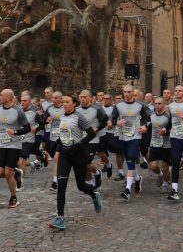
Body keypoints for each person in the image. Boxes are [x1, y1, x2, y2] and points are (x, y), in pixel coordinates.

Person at [48, 94, 103, 231]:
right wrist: (56, 144)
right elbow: (64, 134)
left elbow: (91, 134)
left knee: (81, 186)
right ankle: (60, 218)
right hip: (65, 154)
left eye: (67, 102)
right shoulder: (62, 117)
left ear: (74, 104)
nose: (64, 104)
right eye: (63, 102)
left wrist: (78, 145)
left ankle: (93, 194)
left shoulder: (79, 117)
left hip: (78, 155)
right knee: (61, 186)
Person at [0, 88, 31, 209]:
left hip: (14, 145)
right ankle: (16, 173)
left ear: (8, 98)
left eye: (1, 95)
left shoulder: (18, 111)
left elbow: (27, 128)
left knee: (7, 173)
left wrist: (15, 132)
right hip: (2, 144)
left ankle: (13, 197)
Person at [112, 85, 151, 201]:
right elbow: (113, 119)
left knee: (132, 158)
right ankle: (137, 178)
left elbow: (145, 117)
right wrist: (117, 122)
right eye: (125, 92)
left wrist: (144, 126)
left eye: (129, 92)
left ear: (133, 93)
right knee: (128, 160)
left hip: (135, 135)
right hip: (123, 135)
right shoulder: (118, 105)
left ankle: (127, 190)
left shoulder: (140, 105)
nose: (127, 94)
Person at [147, 97, 172, 192]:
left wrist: (166, 132)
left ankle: (165, 184)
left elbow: (173, 130)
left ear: (164, 105)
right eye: (155, 104)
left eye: (159, 104)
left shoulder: (169, 117)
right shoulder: (152, 116)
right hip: (154, 143)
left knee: (165, 167)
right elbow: (148, 127)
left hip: (166, 144)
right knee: (153, 165)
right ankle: (159, 175)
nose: (157, 106)